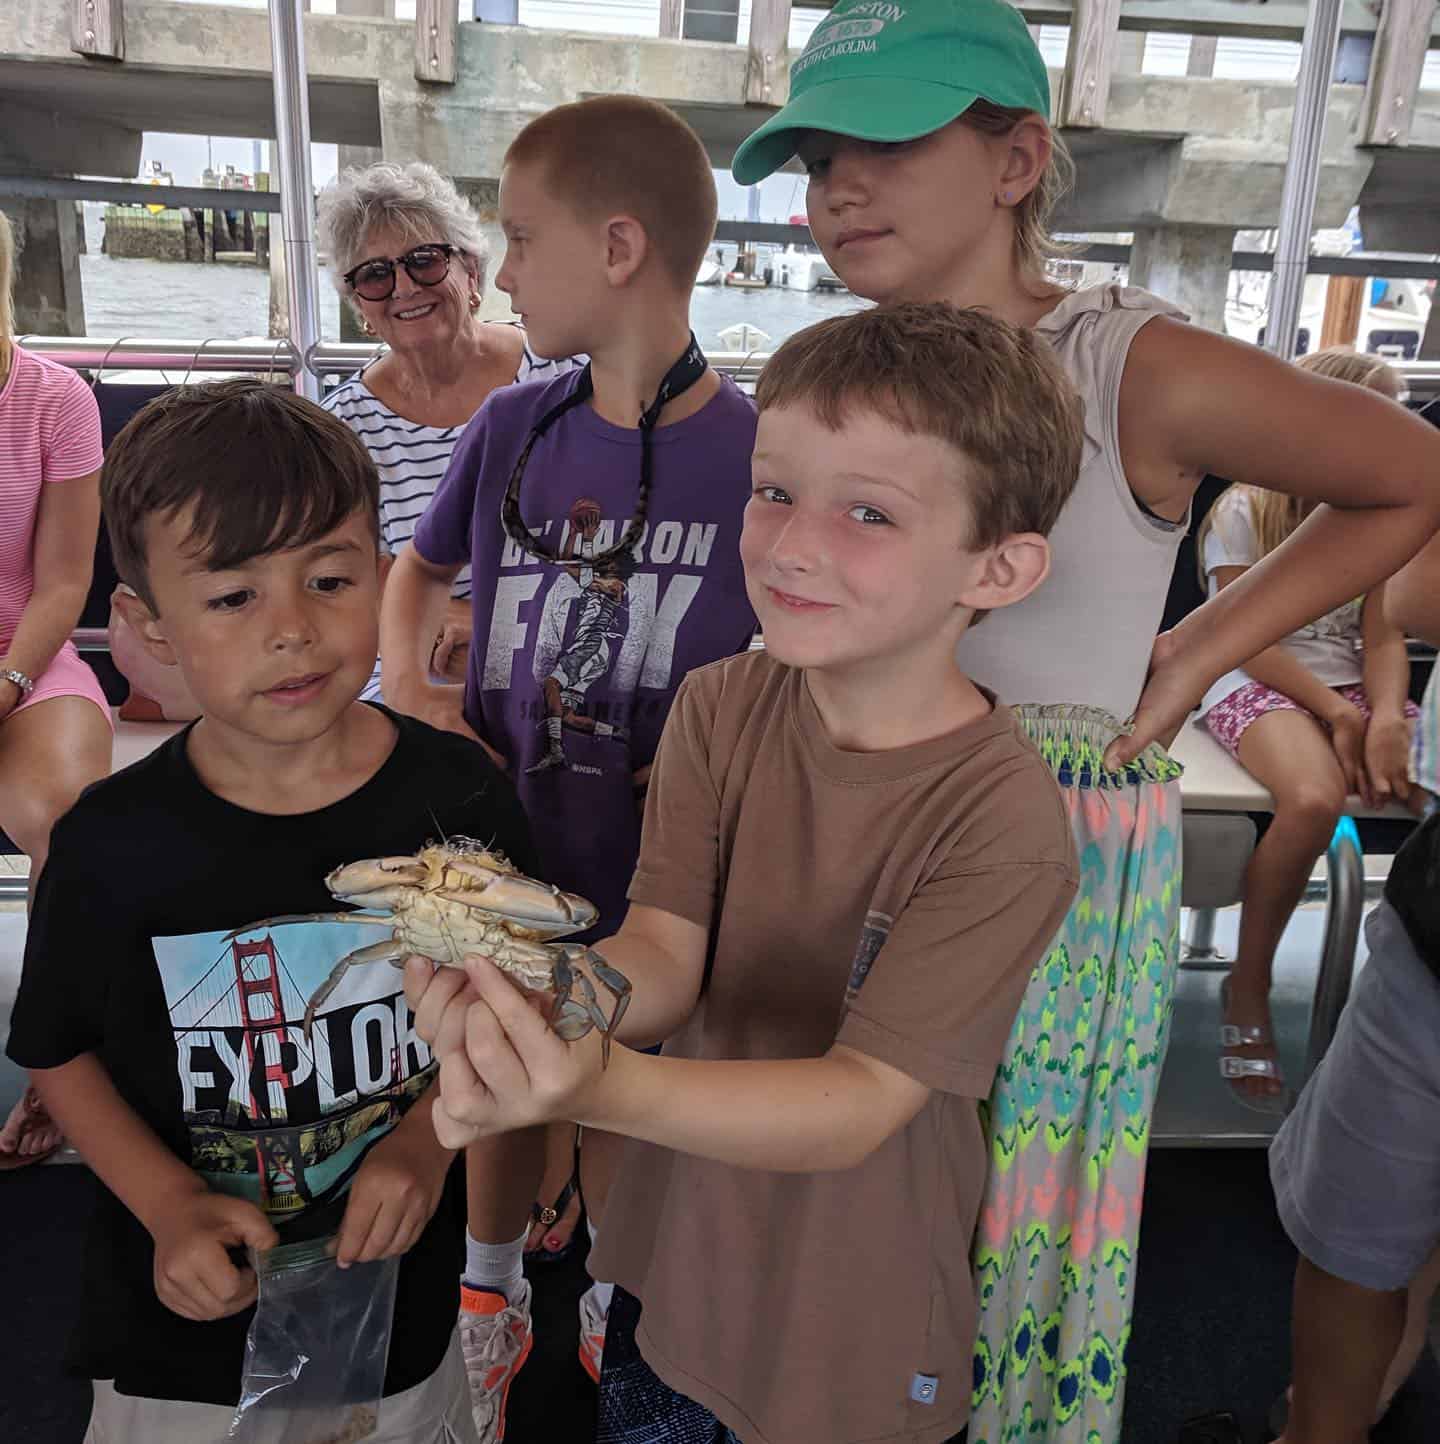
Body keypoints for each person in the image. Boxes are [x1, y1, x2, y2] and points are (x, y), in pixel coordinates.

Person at [727, 3, 1440, 1440]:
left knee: (1003, 1209)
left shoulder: (1131, 362)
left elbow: (1408, 471)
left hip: (1048, 846)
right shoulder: (844, 366)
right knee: (827, 1173)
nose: (836, 189)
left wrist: (1194, 650)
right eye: (815, 159)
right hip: (845, 813)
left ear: (1018, 159)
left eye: (883, 144)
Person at [404, 302, 1085, 1444]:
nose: (794, 544)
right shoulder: (721, 702)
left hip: (854, 1302)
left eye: (869, 510)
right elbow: (664, 952)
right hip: (682, 1253)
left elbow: (865, 1096)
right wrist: (535, 994)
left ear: (1001, 566)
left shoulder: (1005, 821)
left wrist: (594, 1087)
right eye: (775, 490)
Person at [3, 378, 536, 1443]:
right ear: (146, 626)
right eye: (234, 597)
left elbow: (505, 1011)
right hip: (177, 1328)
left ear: (382, 579)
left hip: (398, 1308)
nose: (292, 629)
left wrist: (428, 1146)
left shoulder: (463, 797)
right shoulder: (110, 842)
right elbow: (58, 1049)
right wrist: (167, 1203)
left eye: (329, 579)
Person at [380, 95, 758, 1420]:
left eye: (521, 239)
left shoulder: (760, 456)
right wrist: (420, 701)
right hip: (507, 820)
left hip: (665, 852)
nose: (506, 270)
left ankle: (611, 1274)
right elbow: (415, 575)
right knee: (491, 1042)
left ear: (617, 248)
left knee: (625, 1055)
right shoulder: (510, 429)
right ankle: (491, 1288)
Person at [1196, 351, 1418, 1112]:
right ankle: (1248, 984)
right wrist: (1337, 712)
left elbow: (1384, 636)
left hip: (1352, 688)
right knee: (1315, 800)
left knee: (1427, 783)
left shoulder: (1391, 512)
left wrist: (1385, 715)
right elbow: (1240, 636)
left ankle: (1404, 994)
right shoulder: (1243, 509)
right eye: (1387, 414)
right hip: (1253, 674)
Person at [317, 160, 574, 707]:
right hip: (420, 654)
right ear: (359, 303)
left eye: (425, 261)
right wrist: (446, 622)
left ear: (472, 274)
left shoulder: (565, 376)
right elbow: (351, 570)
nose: (405, 287)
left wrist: (493, 630)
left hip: (563, 644)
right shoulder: (343, 429)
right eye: (375, 274)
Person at [0, 208, 114, 1170]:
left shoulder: (56, 398)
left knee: (70, 820)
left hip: (27, 648)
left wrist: (7, 681)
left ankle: (57, 1062)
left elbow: (66, 580)